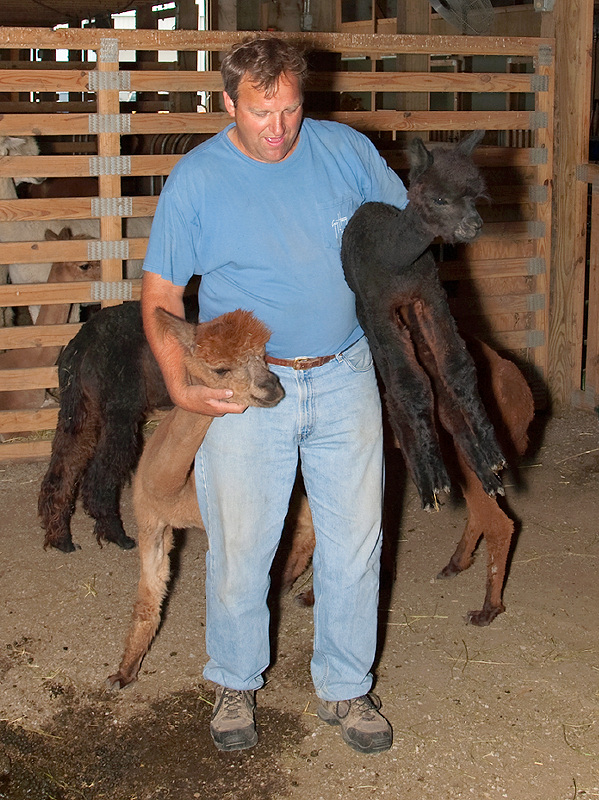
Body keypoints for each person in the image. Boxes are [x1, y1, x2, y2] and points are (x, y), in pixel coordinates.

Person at [141, 35, 408, 755]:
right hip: (251, 383)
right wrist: (178, 379)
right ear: (229, 103)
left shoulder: (346, 151)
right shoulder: (198, 180)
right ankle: (235, 681)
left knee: (354, 541)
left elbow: (402, 233)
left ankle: (347, 689)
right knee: (242, 543)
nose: (279, 128)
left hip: (346, 369)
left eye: (290, 109)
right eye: (262, 112)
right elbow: (162, 293)